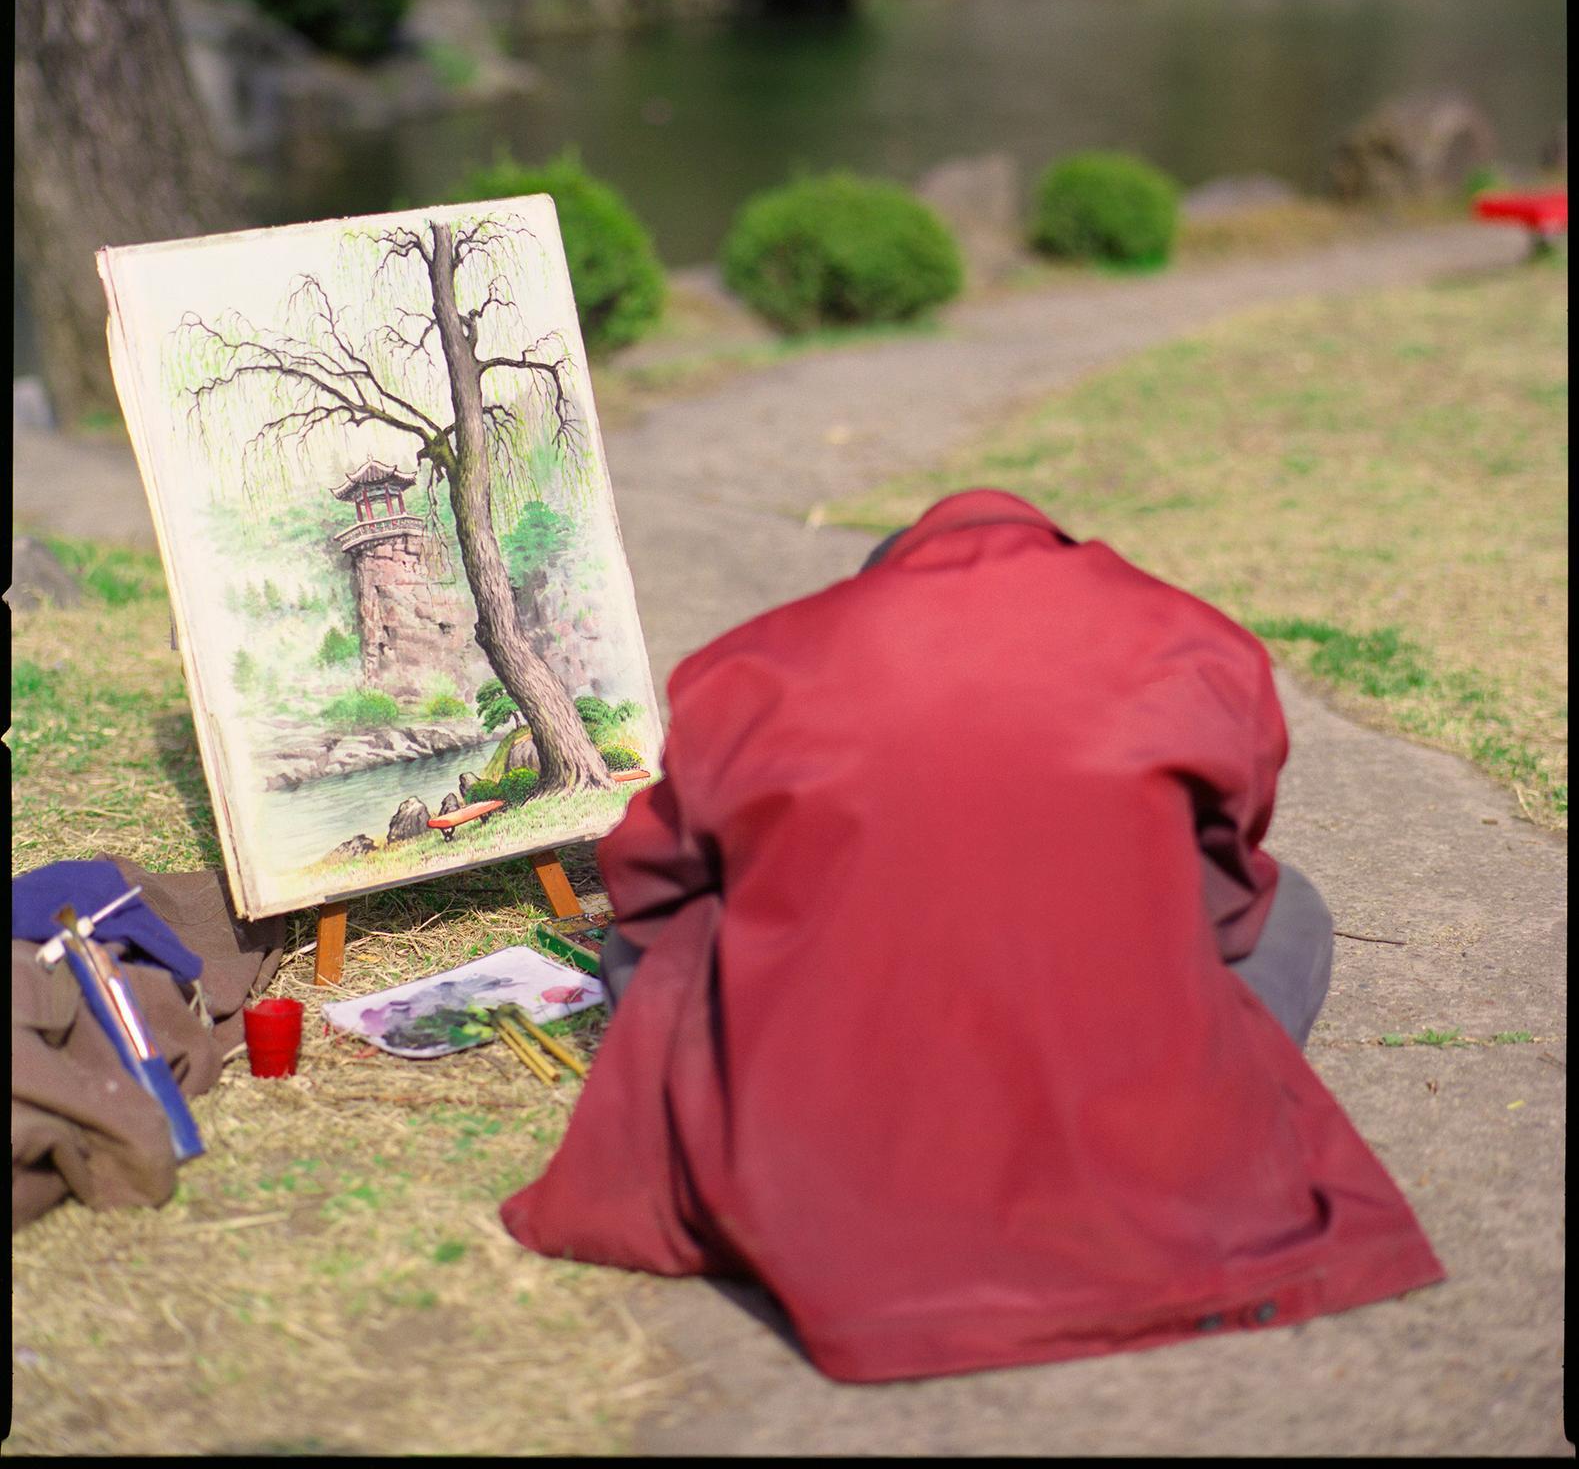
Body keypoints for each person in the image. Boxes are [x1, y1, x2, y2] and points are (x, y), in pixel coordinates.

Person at [500, 488, 1443, 1384]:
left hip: (841, 1097)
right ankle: (1195, 1109)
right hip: (1122, 1087)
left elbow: (651, 889)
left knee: (639, 955)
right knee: (1296, 906)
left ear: (875, 591)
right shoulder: (1192, 640)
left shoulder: (751, 666)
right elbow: (1232, 894)